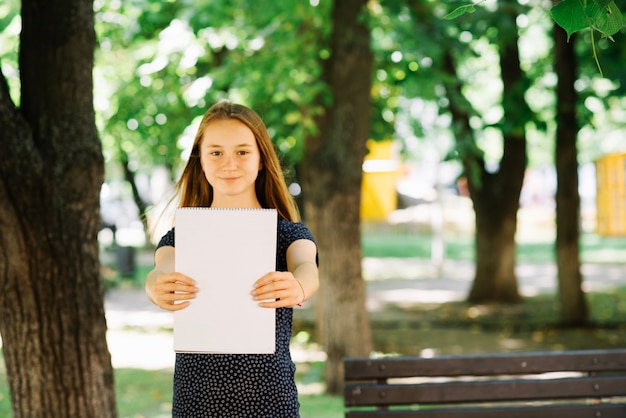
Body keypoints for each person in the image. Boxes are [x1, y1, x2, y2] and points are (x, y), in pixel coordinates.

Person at [145, 101, 319, 417]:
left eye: (242, 152)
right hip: (196, 402)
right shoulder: (183, 234)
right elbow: (161, 268)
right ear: (200, 160)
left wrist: (298, 286)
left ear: (261, 159)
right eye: (216, 152)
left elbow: (307, 267)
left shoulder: (288, 234)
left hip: (270, 400)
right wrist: (155, 284)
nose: (229, 163)